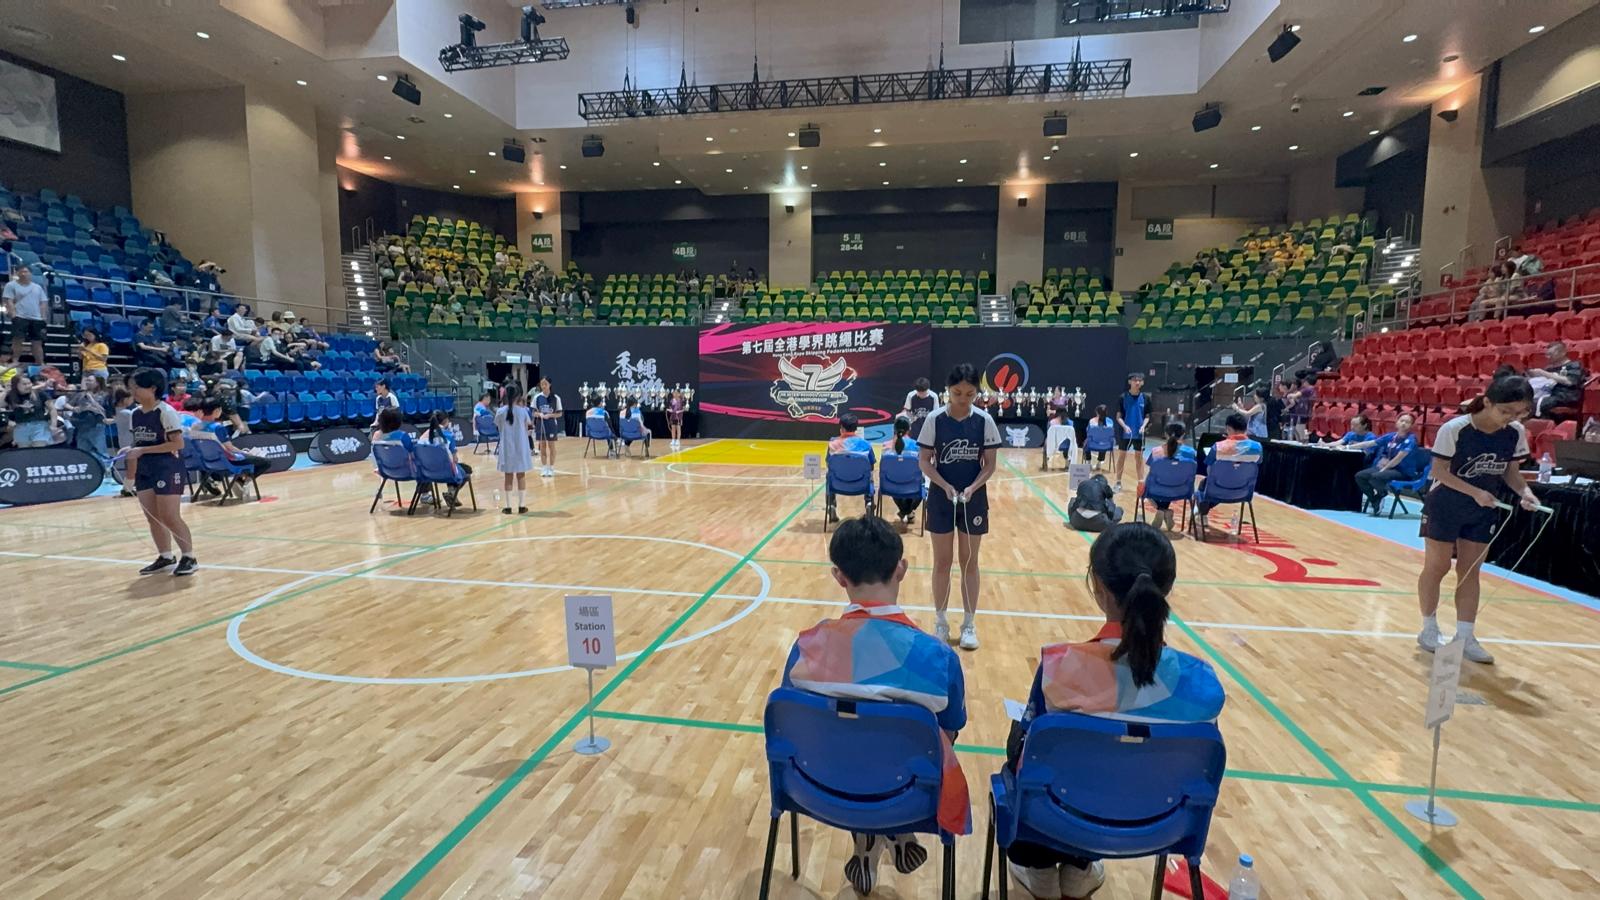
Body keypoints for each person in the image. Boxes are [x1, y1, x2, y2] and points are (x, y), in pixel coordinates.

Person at [1003, 523, 1225, 900]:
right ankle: (1080, 868)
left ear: (1099, 588)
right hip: (1162, 821)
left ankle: (1040, 869)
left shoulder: (1059, 669)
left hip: (1060, 815)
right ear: (1167, 587)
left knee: (1031, 758)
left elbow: (1026, 757)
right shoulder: (1203, 682)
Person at [780, 515, 968, 895]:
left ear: (839, 576)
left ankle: (868, 834)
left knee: (843, 729)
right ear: (902, 569)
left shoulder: (806, 648)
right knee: (926, 736)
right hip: (909, 793)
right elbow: (949, 731)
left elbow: (794, 723)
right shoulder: (938, 657)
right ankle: (892, 827)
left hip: (820, 787)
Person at [1418, 376, 1539, 665]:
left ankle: (1465, 636)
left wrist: (1525, 492)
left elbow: (1510, 472)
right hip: (1445, 504)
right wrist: (1474, 492)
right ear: (1487, 402)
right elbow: (1438, 471)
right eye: (1505, 411)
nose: (1511, 418)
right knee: (1438, 566)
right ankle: (1428, 628)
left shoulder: (1515, 432)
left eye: (1519, 413)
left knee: (1470, 571)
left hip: (1483, 508)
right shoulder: (1455, 428)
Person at [916, 363, 1001, 651]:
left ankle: (969, 624)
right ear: (947, 391)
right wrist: (943, 485)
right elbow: (924, 460)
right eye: (957, 393)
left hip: (973, 499)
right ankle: (941, 622)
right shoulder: (934, 420)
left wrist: (973, 487)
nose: (963, 399)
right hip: (941, 497)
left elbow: (989, 465)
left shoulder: (984, 421)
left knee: (969, 562)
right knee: (942, 562)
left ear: (977, 392)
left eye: (969, 394)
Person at [125, 368, 197, 576]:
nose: (133, 392)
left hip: (167, 467)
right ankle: (165, 557)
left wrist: (143, 450)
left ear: (152, 388)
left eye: (136, 387)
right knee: (153, 517)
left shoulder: (166, 412)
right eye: (131, 388)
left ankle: (189, 557)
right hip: (145, 469)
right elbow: (137, 444)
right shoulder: (135, 414)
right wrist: (130, 461)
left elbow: (178, 444)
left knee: (170, 516)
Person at [190, 399, 271, 495]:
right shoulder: (218, 427)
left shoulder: (194, 426)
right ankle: (241, 480)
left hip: (206, 463)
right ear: (217, 410)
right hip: (227, 463)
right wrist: (246, 453)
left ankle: (219, 480)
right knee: (266, 462)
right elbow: (230, 448)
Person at [1196, 412, 1263, 522]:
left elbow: (1209, 469)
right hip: (1243, 491)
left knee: (1206, 485)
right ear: (1245, 429)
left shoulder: (1218, 447)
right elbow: (1257, 463)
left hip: (1218, 489)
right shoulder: (1257, 448)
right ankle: (1202, 513)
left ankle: (1202, 514)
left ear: (1229, 428)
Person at [1351, 413, 1423, 515]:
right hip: (1388, 468)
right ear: (1397, 422)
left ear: (1412, 425)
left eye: (1407, 422)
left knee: (1375, 476)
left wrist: (1384, 469)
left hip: (1403, 472)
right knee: (1360, 476)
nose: (1403, 423)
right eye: (1402, 421)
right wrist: (1349, 447)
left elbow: (1398, 458)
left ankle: (1381, 493)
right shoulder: (1391, 436)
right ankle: (1375, 499)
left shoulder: (1411, 439)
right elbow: (1370, 443)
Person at [1143, 421, 1197, 536]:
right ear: (1183, 435)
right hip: (1182, 490)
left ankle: (1161, 510)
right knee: (1171, 481)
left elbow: (1152, 473)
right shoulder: (1191, 453)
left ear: (1165, 434)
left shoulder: (1156, 451)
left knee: (1150, 484)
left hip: (1156, 490)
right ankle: (1164, 511)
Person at [825, 412, 877, 522]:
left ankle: (831, 505)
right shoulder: (866, 444)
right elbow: (871, 466)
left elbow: (829, 464)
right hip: (861, 484)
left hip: (838, 484)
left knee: (829, 475)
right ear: (856, 428)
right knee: (870, 475)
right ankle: (869, 502)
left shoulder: (832, 443)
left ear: (842, 428)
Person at [495, 383, 534, 512]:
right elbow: (528, 424)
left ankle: (508, 507)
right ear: (518, 396)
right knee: (521, 475)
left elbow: (498, 425)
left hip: (507, 447)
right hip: (521, 446)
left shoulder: (500, 411)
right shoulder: (523, 411)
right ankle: (522, 505)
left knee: (508, 476)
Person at [421, 409, 472, 508]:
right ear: (446, 421)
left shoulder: (425, 435)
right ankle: (452, 491)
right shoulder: (448, 435)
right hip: (446, 471)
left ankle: (425, 495)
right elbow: (455, 459)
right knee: (466, 469)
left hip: (428, 472)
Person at [1526, 341, 1587, 419]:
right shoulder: (1549, 368)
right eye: (1547, 354)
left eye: (1551, 354)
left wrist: (1543, 373)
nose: (1548, 357)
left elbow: (1569, 381)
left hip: (1566, 396)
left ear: (1563, 353)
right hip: (1548, 394)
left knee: (1538, 404)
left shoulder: (1574, 365)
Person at [59, 374, 112, 465]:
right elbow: (67, 404)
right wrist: (74, 408)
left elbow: (103, 410)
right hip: (81, 426)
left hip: (96, 426)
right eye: (87, 380)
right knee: (83, 451)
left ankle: (106, 469)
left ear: (97, 383)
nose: (87, 382)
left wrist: (91, 402)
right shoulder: (81, 394)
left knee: (101, 450)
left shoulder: (104, 395)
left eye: (90, 381)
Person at [880, 416, 922, 527]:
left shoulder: (885, 446)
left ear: (894, 429)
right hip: (913, 484)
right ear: (909, 429)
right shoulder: (917, 446)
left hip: (891, 484)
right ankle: (908, 511)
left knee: (893, 477)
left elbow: (884, 469)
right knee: (920, 481)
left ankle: (905, 510)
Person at [2, 266, 48, 365]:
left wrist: (43, 316)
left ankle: (40, 362)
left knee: (37, 342)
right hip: (20, 317)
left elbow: (43, 302)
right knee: (18, 340)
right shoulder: (11, 285)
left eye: (26, 271)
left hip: (36, 318)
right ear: (17, 273)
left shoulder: (37, 287)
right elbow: (8, 300)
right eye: (21, 271)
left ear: (30, 273)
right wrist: (13, 315)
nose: (24, 274)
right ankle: (15, 360)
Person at [1113, 373, 1150, 489]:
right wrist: (1124, 426)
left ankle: (1141, 484)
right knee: (1122, 457)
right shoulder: (1123, 397)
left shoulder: (1146, 398)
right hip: (1126, 432)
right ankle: (1118, 482)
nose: (1137, 382)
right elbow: (1118, 417)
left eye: (1139, 380)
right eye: (1134, 380)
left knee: (1139, 458)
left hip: (1139, 433)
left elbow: (1147, 416)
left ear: (1142, 383)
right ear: (1130, 382)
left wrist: (1143, 426)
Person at [4, 373, 57, 447]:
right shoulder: (11, 396)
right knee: (24, 451)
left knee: (39, 448)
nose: (28, 386)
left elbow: (52, 409)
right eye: (24, 384)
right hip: (21, 427)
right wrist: (6, 391)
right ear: (16, 385)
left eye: (29, 383)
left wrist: (53, 425)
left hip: (39, 425)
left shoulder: (40, 393)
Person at [533, 377, 562, 478]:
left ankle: (552, 468)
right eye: (542, 384)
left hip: (551, 425)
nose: (544, 386)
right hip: (540, 424)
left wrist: (550, 415)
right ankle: (544, 467)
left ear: (550, 384)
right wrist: (539, 414)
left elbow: (559, 413)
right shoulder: (537, 397)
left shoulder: (556, 398)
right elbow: (533, 412)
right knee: (542, 447)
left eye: (545, 384)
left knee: (551, 446)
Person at [1082, 405, 1116, 471]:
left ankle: (1088, 462)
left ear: (1097, 413)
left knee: (1086, 442)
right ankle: (1099, 463)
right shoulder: (1110, 421)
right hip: (1106, 446)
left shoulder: (1092, 421)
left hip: (1092, 445)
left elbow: (1088, 432)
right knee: (1105, 441)